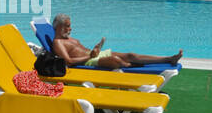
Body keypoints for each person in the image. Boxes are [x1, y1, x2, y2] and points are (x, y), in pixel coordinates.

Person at [51, 13, 182, 71]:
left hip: (94, 56)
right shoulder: (58, 43)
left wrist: (95, 49)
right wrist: (89, 56)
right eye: (67, 26)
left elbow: (83, 51)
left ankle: (169, 59)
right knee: (116, 60)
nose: (70, 28)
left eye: (69, 25)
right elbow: (67, 61)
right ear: (58, 27)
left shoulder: (70, 39)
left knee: (131, 55)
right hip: (89, 61)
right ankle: (134, 67)